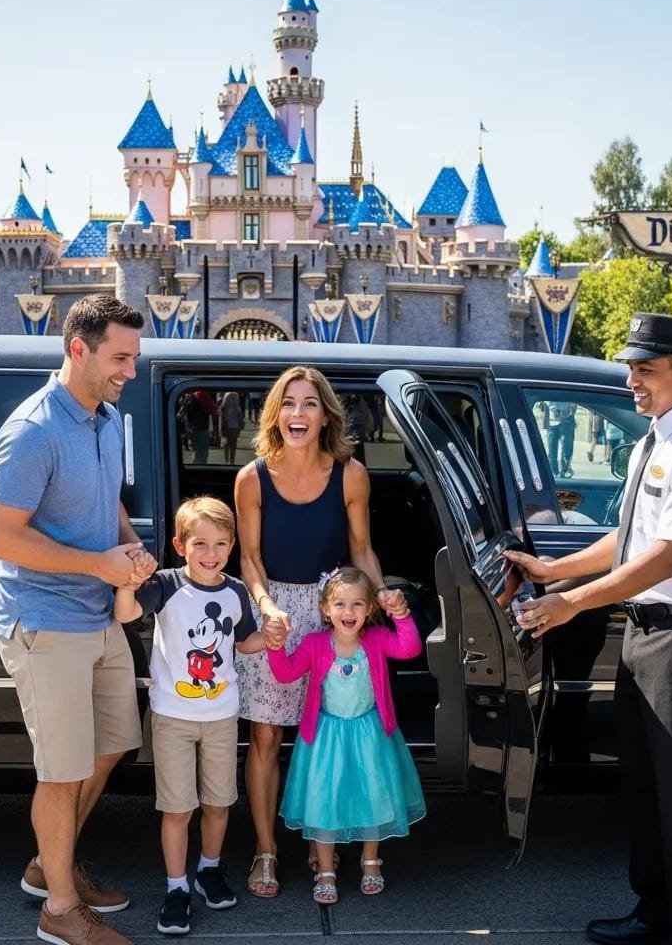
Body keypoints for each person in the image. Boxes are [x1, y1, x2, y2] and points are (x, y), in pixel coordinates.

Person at [505, 313, 672, 945]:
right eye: (631, 367)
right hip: (646, 636)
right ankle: (655, 911)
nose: (632, 380)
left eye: (646, 368)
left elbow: (668, 556)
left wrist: (572, 603)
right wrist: (554, 569)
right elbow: (630, 539)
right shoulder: (656, 440)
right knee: (647, 788)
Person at [0, 294, 157, 945]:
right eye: (120, 357)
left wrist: (128, 543)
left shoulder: (105, 419)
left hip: (96, 614)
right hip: (45, 620)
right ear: (77, 350)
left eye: (135, 358)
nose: (130, 371)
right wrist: (98, 565)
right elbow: (1, 538)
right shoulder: (31, 430)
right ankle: (59, 909)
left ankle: (47, 863)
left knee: (112, 744)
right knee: (61, 772)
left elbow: (105, 499)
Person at [233, 366, 405, 898]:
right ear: (275, 415)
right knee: (266, 734)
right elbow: (251, 557)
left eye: (309, 404)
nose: (297, 414)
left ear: (325, 414)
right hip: (276, 611)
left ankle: (319, 837)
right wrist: (265, 608)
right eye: (288, 404)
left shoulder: (351, 474)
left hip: (335, 610)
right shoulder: (252, 478)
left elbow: (360, 550)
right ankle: (265, 851)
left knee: (324, 731)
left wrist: (383, 597)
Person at [113, 497, 269, 936]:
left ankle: (209, 869)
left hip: (222, 714)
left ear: (232, 546)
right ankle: (177, 887)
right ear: (180, 546)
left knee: (219, 802)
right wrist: (130, 582)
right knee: (178, 808)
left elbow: (243, 643)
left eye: (220, 544)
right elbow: (125, 613)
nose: (210, 553)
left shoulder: (236, 591)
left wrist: (269, 639)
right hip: (173, 717)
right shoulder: (165, 584)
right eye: (200, 543)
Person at [265, 568, 426, 904]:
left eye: (357, 604)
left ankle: (370, 861)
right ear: (325, 609)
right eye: (339, 604)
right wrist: (276, 646)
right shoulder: (314, 644)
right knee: (324, 799)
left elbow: (409, 648)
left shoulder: (378, 638)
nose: (348, 612)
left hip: (370, 732)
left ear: (369, 609)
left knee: (373, 794)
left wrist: (402, 614)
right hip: (326, 735)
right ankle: (325, 869)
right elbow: (286, 673)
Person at [219, 390, 243, 465]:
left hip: (226, 427)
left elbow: (222, 419)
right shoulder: (238, 408)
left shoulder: (224, 408)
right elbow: (240, 419)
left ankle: (226, 461)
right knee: (233, 445)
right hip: (235, 427)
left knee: (226, 445)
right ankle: (232, 462)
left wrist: (221, 430)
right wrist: (240, 427)